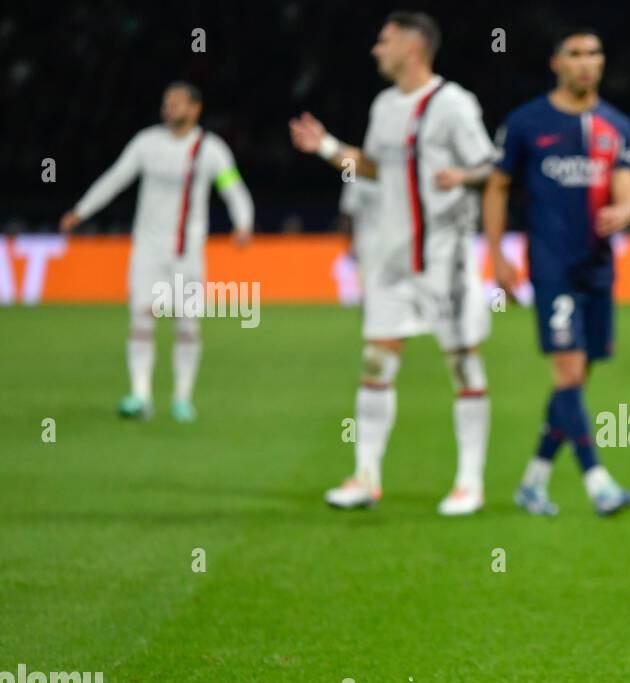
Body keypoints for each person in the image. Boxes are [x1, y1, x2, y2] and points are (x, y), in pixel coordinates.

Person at [290, 11, 496, 514]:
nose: (375, 49)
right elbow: (376, 168)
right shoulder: (384, 105)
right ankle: (366, 476)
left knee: (463, 366)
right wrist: (328, 149)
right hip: (391, 260)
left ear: (412, 46)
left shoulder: (453, 104)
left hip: (443, 261)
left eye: (383, 40)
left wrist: (464, 177)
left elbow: (491, 167)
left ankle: (469, 482)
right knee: (375, 364)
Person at [482, 28, 630, 517]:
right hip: (552, 267)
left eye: (594, 53)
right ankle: (598, 481)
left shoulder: (616, 126)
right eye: (575, 54)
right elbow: (496, 187)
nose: (586, 62)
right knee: (568, 371)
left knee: (575, 380)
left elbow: (627, 189)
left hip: (597, 267)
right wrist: (498, 255)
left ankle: (533, 481)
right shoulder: (528, 122)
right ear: (557, 62)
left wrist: (627, 210)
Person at [60, 82, 254, 423]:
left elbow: (232, 187)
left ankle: (182, 399)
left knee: (186, 323)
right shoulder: (146, 143)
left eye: (177, 102)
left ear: (196, 108)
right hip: (147, 249)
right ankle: (140, 394)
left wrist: (243, 221)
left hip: (187, 251)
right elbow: (116, 178)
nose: (169, 108)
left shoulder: (210, 149)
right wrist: (81, 210)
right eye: (166, 102)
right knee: (140, 315)